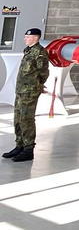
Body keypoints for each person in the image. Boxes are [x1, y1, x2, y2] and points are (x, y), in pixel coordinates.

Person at [4, 28, 49, 163]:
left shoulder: (40, 53)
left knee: (26, 119)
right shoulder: (28, 51)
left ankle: (28, 150)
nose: (25, 39)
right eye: (25, 37)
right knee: (18, 118)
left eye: (28, 37)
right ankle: (20, 146)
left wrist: (38, 85)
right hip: (21, 91)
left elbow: (43, 72)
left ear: (36, 38)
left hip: (30, 91)